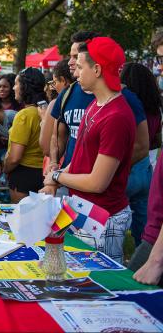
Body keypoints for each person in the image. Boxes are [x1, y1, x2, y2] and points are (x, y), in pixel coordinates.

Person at [43, 37, 135, 263]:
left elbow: (97, 182)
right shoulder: (95, 105)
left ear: (97, 69)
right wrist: (54, 182)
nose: (75, 73)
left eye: (81, 66)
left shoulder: (116, 117)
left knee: (99, 283)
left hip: (104, 217)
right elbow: (80, 159)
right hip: (81, 209)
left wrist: (56, 175)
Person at [47, 31, 148, 176]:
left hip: (98, 187)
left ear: (96, 64)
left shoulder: (123, 99)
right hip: (68, 179)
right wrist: (54, 164)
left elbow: (142, 146)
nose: (70, 62)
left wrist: (106, 169)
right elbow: (58, 137)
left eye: (76, 57)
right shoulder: (67, 93)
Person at [129, 30, 163, 287]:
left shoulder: (128, 107)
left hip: (156, 241)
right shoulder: (152, 109)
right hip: (147, 175)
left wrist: (156, 260)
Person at [120, 62, 162, 245]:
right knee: (144, 230)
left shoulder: (126, 107)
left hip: (127, 168)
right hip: (146, 170)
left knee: (114, 224)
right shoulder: (155, 111)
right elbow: (156, 140)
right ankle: (141, 262)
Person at [2, 67, 46, 203]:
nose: (14, 88)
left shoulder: (24, 115)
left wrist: (5, 168)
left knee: (22, 222)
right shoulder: (46, 110)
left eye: (16, 84)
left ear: (25, 87)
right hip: (43, 174)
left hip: (24, 177)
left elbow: (14, 157)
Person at [39, 59, 73, 158]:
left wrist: (44, 118)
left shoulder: (56, 103)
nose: (53, 87)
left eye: (54, 82)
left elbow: (46, 147)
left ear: (64, 81)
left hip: (63, 163)